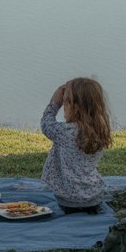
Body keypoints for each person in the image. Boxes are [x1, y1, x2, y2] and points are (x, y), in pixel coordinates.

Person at [40, 77, 113, 214]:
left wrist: (54, 103)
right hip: (94, 198)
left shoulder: (65, 132)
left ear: (77, 108)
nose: (64, 107)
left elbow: (46, 124)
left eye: (66, 103)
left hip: (68, 202)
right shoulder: (100, 129)